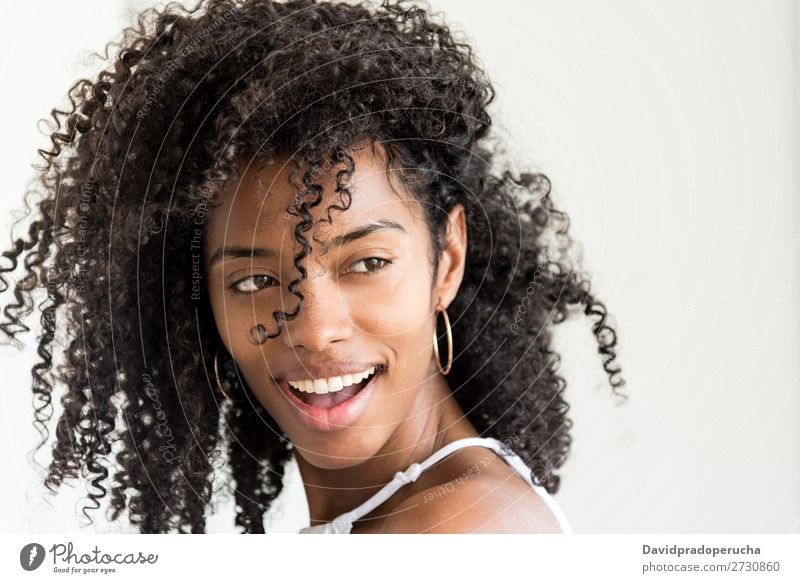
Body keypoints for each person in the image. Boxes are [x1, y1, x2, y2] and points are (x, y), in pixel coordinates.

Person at [0, 0, 625, 534]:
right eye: (254, 280)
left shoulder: (457, 531)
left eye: (367, 263)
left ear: (447, 259)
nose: (313, 328)